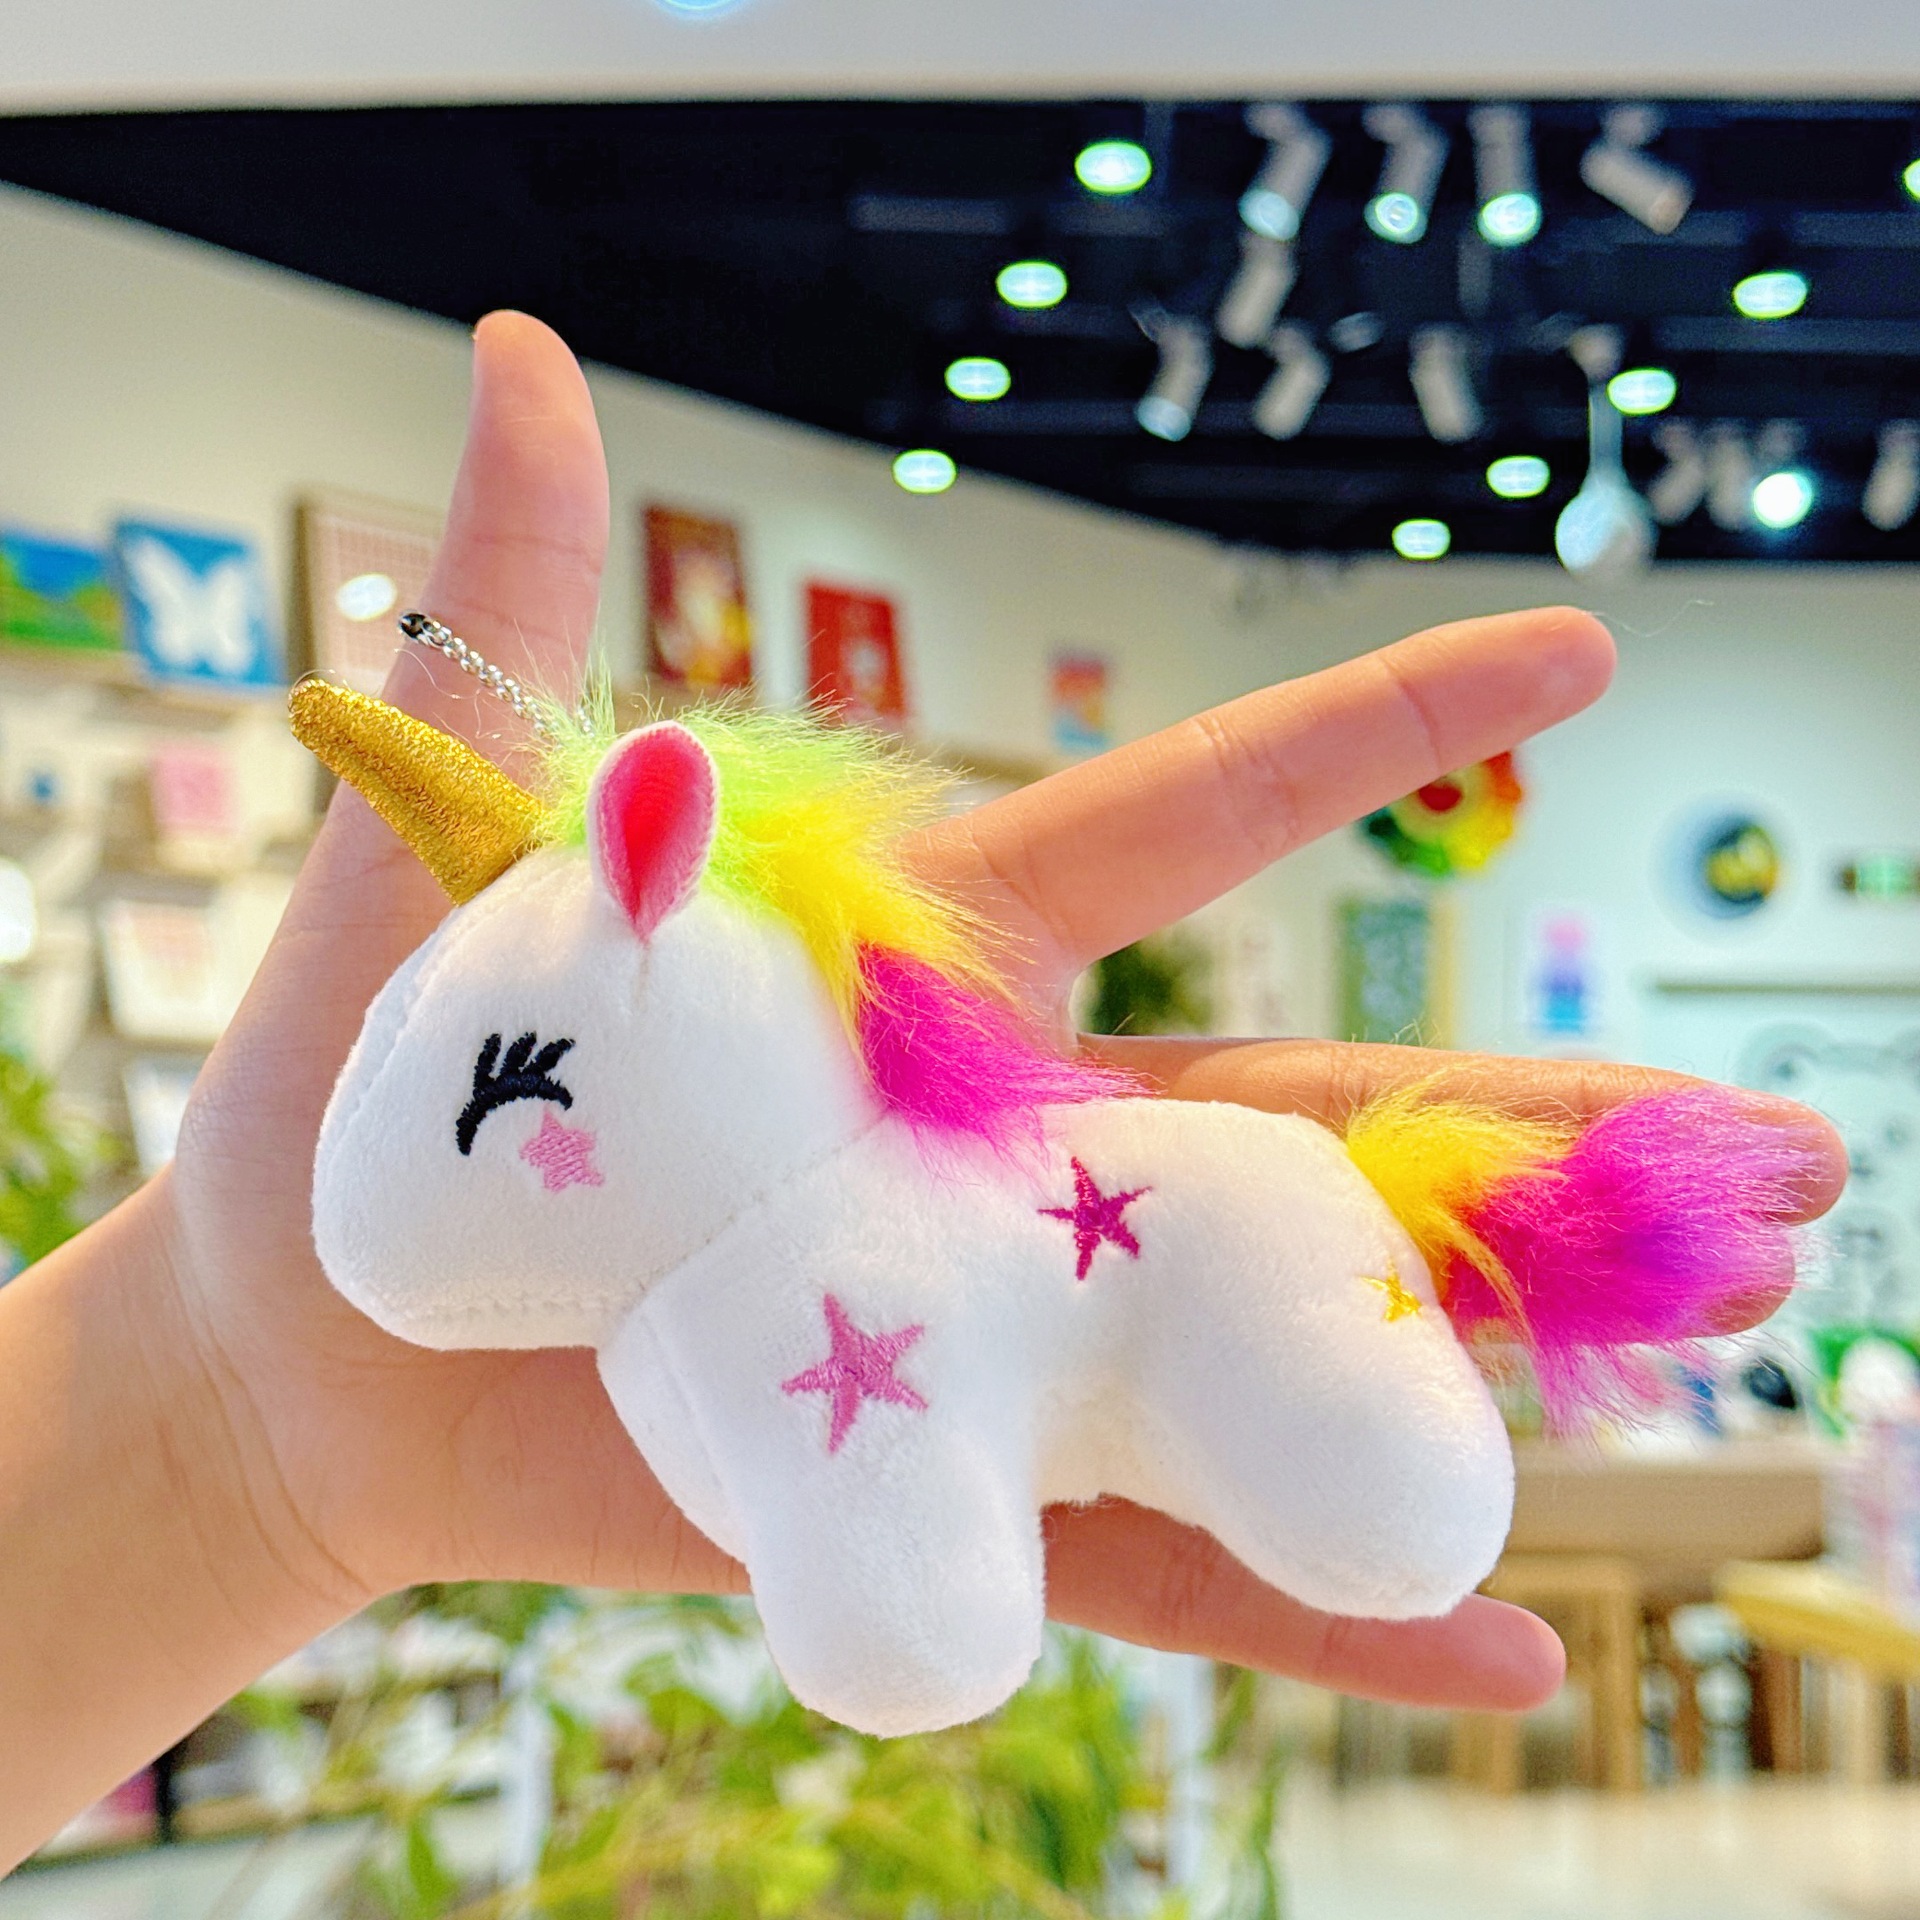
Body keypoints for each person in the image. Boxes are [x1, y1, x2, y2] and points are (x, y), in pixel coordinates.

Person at [0, 313, 1844, 1868]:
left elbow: (914, 1623)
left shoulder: (785, 1260)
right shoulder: (694, 1297)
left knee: (1378, 1503)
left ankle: (1364, 1434)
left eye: (518, 1093)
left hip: (1231, 1243)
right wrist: (208, 1398)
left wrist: (213, 1418)